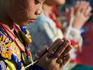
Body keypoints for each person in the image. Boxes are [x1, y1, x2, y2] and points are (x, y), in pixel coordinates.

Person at [0, 0, 71, 70]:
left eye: (43, 2)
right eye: (36, 2)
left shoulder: (17, 30)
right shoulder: (40, 23)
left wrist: (39, 64)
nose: (39, 11)